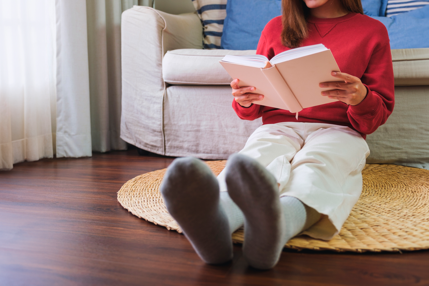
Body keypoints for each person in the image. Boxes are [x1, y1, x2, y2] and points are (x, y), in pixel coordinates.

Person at [160, 0, 394, 270]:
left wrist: (361, 97)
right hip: (279, 125)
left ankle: (277, 226)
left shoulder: (372, 31)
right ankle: (215, 224)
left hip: (339, 128)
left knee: (321, 164)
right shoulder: (275, 28)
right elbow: (251, 108)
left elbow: (378, 113)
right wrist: (244, 98)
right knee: (255, 159)